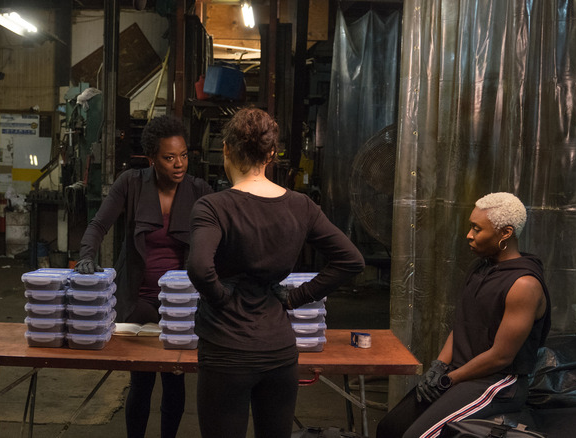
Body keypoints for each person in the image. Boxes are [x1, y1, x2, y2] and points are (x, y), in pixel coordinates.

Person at [187, 108, 365, 438]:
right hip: (280, 352)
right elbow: (351, 260)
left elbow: (199, 266)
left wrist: (221, 299)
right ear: (271, 153)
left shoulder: (213, 207)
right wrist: (296, 297)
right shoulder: (301, 206)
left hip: (227, 352)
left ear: (226, 148)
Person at [76, 114, 211, 438]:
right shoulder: (131, 183)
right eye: (169, 157)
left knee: (175, 378)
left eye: (183, 156)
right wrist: (85, 257)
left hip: (179, 305)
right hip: (137, 300)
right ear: (151, 159)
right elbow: (98, 225)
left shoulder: (199, 190)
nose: (179, 164)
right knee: (141, 380)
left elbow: (220, 240)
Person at [376, 192, 551, 438]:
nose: (469, 235)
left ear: (506, 233)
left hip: (498, 382)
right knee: (390, 428)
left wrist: (449, 379)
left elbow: (501, 357)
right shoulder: (482, 267)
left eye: (477, 229)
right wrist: (439, 366)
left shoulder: (523, 285)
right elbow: (463, 326)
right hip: (462, 372)